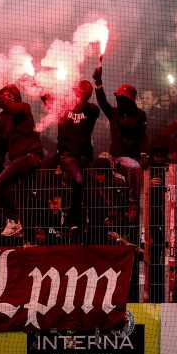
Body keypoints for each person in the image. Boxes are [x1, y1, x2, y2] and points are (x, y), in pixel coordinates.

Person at [0, 83, 44, 237]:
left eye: (10, 94)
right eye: (3, 94)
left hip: (31, 156)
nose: (6, 97)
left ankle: (13, 220)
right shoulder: (2, 118)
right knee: (25, 198)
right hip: (17, 162)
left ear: (16, 96)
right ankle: (29, 238)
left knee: (0, 183)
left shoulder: (24, 107)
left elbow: (13, 108)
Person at [43, 79, 100, 237]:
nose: (80, 95)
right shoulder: (63, 107)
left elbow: (91, 107)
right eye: (79, 91)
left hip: (84, 158)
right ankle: (72, 220)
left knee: (90, 191)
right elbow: (45, 98)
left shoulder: (92, 110)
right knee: (78, 180)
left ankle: (86, 227)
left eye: (84, 93)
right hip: (67, 156)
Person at [92, 66, 146, 224]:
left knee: (137, 168)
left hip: (135, 157)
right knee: (134, 167)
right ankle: (133, 204)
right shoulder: (114, 113)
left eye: (122, 99)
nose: (119, 101)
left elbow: (143, 137)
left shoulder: (140, 115)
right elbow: (102, 102)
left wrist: (144, 154)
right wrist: (98, 82)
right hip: (119, 158)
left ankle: (139, 229)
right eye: (118, 98)